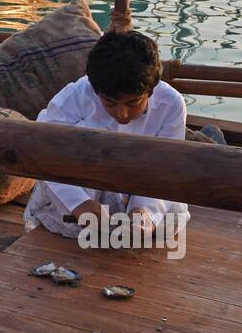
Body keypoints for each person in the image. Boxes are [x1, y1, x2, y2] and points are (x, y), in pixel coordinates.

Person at [24, 29, 189, 244]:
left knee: (170, 219)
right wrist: (79, 204)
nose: (122, 114)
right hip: (82, 184)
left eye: (133, 103)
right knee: (83, 225)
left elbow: (167, 167)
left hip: (142, 180)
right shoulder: (73, 98)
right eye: (110, 103)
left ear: (151, 90)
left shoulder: (171, 104)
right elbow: (47, 157)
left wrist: (143, 213)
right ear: (95, 90)